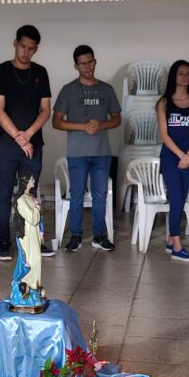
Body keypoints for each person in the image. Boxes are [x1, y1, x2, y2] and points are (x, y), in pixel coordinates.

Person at [0, 24, 54, 260]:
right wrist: (19, 137)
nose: (26, 52)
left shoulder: (41, 72)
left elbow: (45, 110)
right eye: (23, 46)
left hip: (33, 143)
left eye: (31, 49)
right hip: (6, 143)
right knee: (4, 191)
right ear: (15, 43)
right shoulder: (0, 71)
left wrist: (28, 135)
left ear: (36, 49)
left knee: (29, 193)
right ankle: (3, 241)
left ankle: (30, 239)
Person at [52, 45, 121, 252]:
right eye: (82, 63)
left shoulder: (106, 89)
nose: (87, 66)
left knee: (100, 196)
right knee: (76, 195)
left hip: (102, 152)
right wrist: (82, 126)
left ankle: (99, 235)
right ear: (76, 66)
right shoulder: (68, 90)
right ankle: (76, 235)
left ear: (95, 61)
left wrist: (101, 125)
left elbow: (117, 119)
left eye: (90, 62)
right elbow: (56, 122)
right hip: (77, 153)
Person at [156, 60, 189, 262]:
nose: (185, 77)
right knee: (175, 197)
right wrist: (181, 156)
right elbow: (164, 135)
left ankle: (170, 239)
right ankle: (176, 246)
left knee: (181, 199)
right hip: (170, 157)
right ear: (173, 76)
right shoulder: (163, 103)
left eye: (188, 73)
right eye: (181, 73)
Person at [10, 173, 45, 310]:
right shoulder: (21, 200)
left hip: (34, 234)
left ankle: (35, 287)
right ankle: (27, 285)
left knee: (37, 259)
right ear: (25, 181)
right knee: (32, 259)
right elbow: (32, 218)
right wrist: (37, 208)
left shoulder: (30, 197)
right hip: (27, 236)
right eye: (31, 179)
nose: (34, 181)